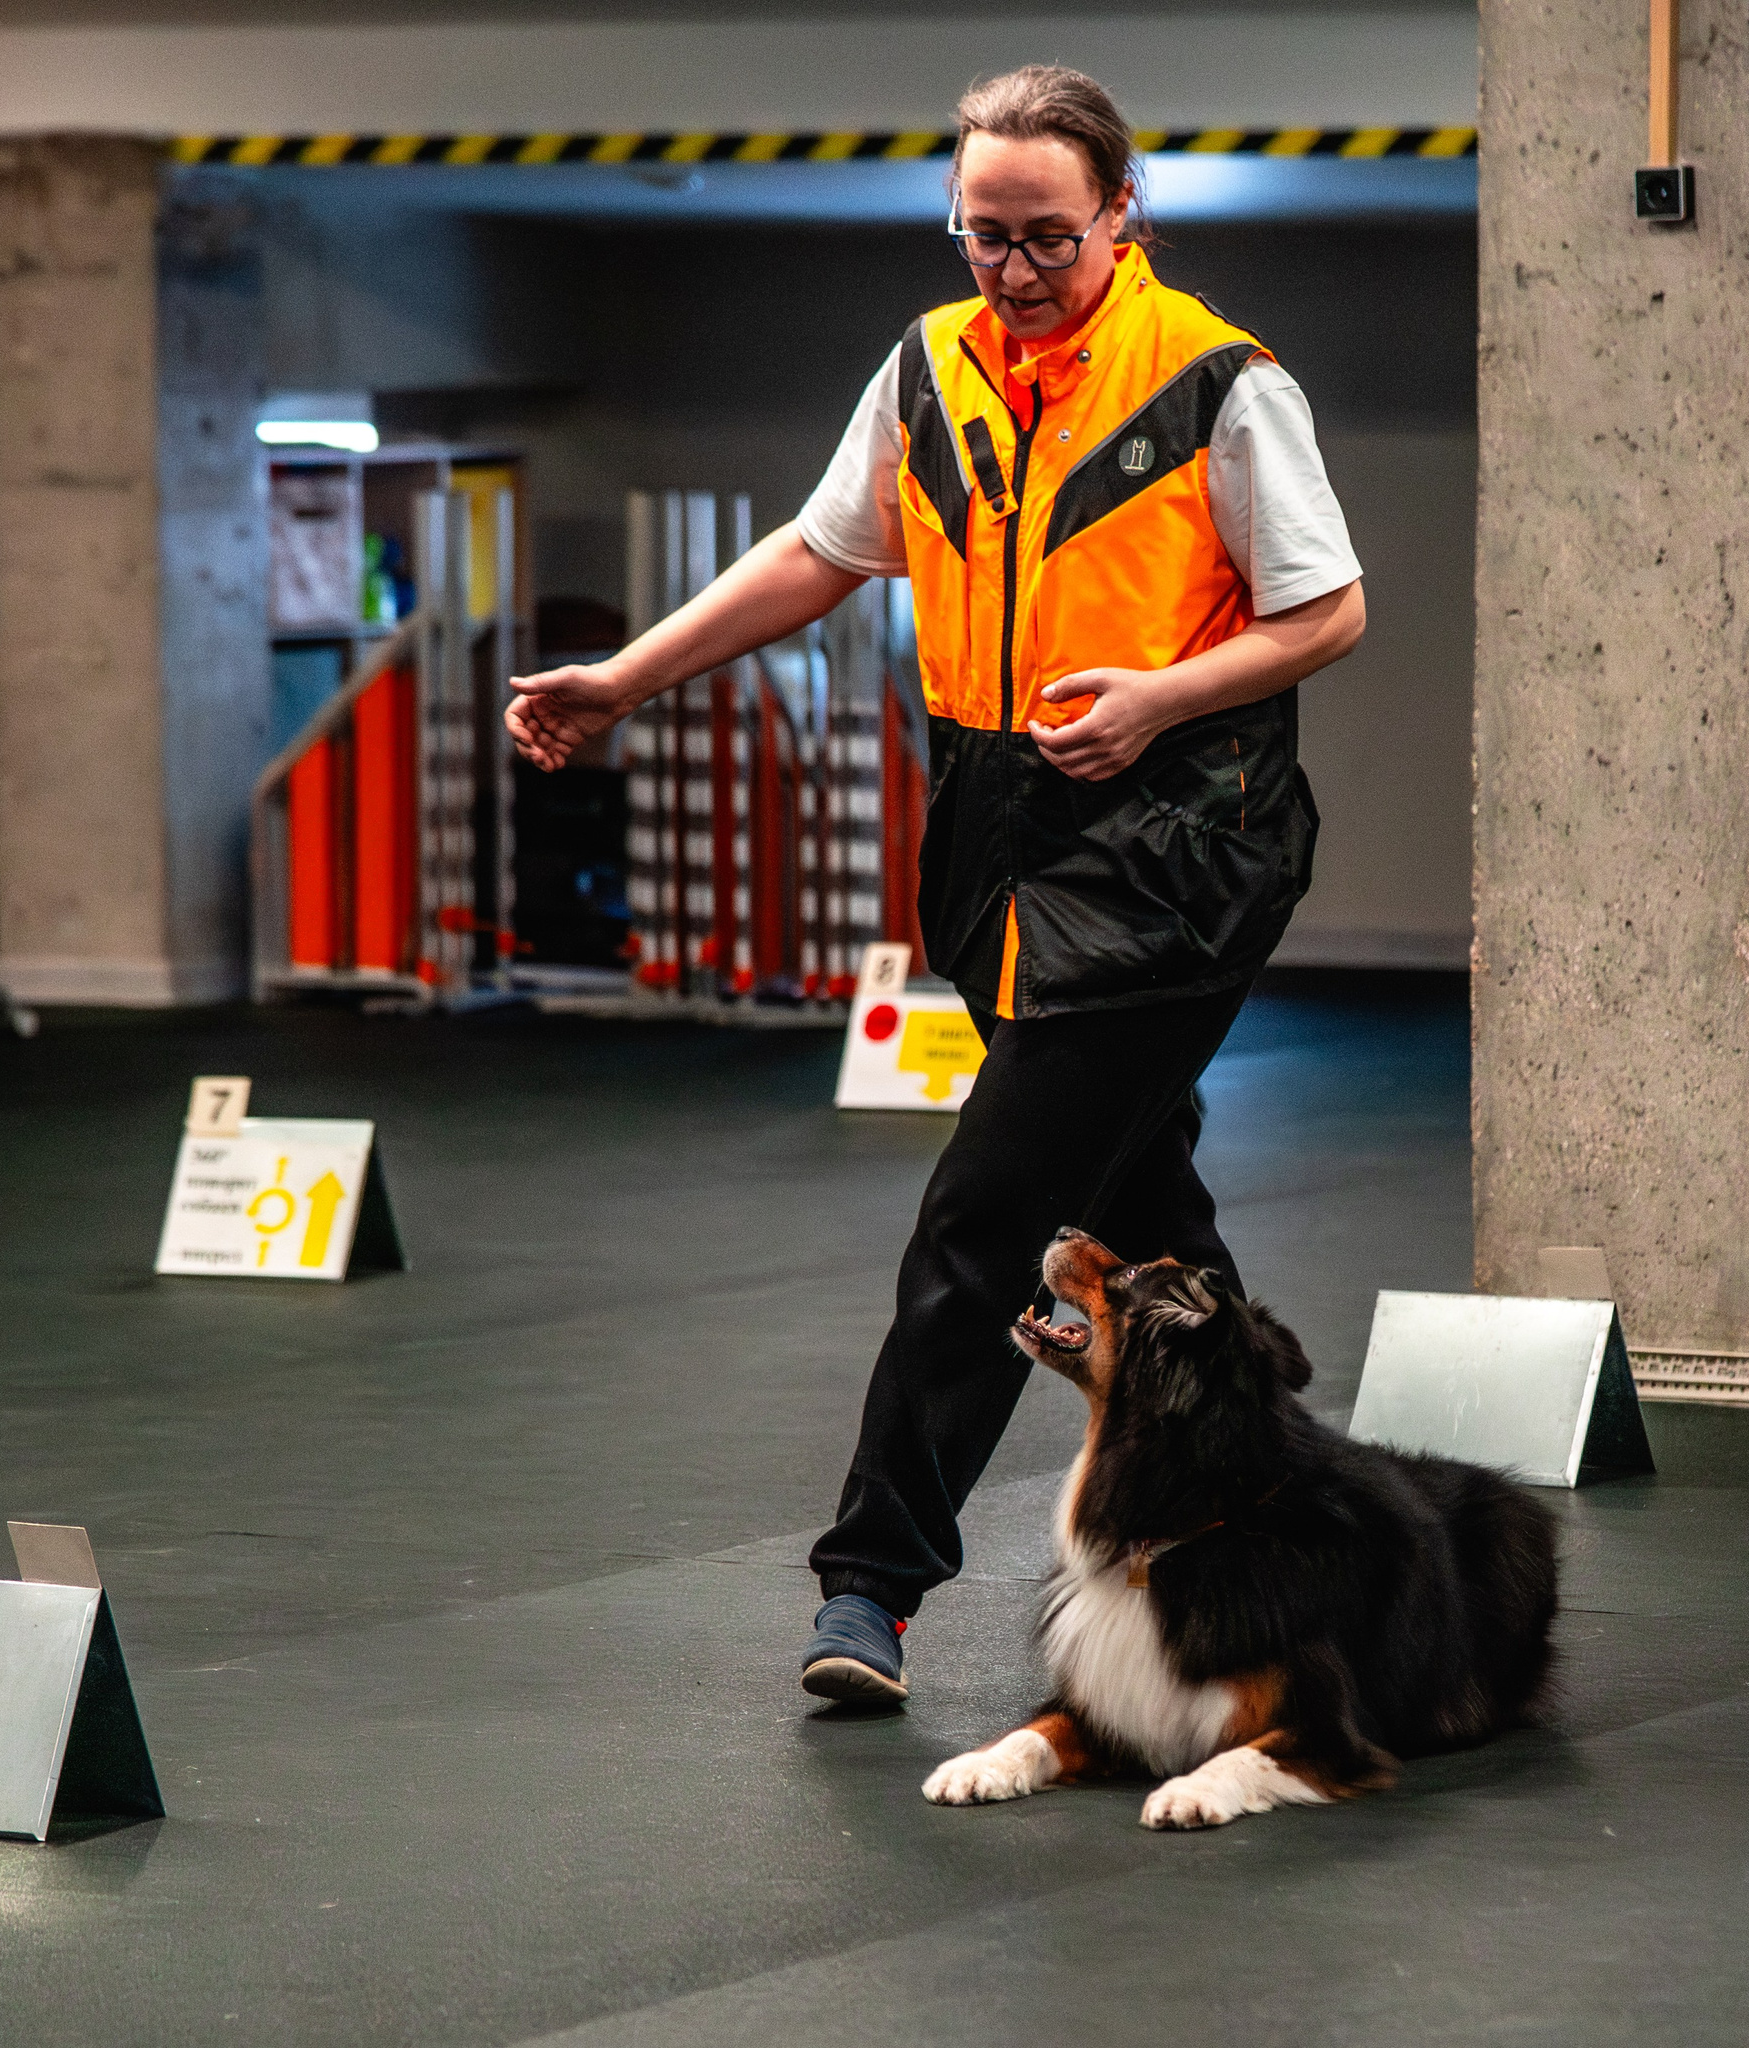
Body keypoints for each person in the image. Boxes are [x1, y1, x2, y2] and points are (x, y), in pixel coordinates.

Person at [504, 64, 1366, 1706]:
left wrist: (1159, 700)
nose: (1016, 269)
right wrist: (625, 679)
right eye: (985, 235)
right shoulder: (927, 368)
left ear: (1122, 216)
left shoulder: (1220, 382)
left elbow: (1327, 609)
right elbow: (821, 552)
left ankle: (872, 1583)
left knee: (991, 1219)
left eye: (1048, 236)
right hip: (991, 826)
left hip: (1178, 840)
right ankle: (1291, 1527)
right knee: (1148, 1218)